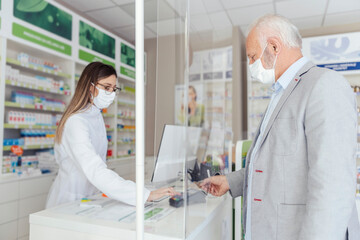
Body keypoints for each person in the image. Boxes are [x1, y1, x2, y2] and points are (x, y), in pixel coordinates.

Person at [201, 14, 360, 240]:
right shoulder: (282, 93)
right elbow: (279, 166)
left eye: (253, 56)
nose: (251, 65)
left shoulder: (324, 85)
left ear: (274, 46)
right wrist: (230, 182)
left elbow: (333, 188)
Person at [46, 62, 176, 208]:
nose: (111, 94)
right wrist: (143, 195)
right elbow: (94, 168)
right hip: (69, 200)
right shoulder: (76, 122)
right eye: (106, 87)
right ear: (90, 86)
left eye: (114, 89)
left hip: (90, 198)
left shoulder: (96, 116)